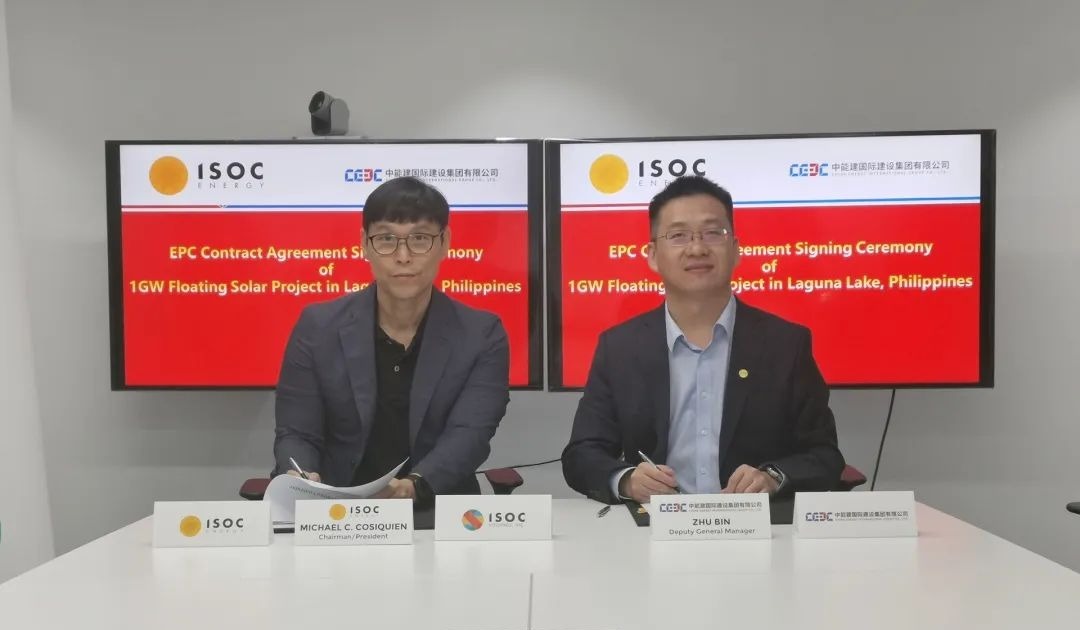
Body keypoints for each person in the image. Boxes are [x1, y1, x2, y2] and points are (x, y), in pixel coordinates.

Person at [562, 176, 844, 504]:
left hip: (755, 526)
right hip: (655, 525)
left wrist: (773, 477)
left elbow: (824, 456)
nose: (697, 249)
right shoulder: (620, 348)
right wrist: (626, 481)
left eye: (712, 233)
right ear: (653, 255)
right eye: (678, 236)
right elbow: (582, 454)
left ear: (735, 250)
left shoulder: (785, 344)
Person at [273, 177, 510, 508]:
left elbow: (470, 433)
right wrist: (302, 476)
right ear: (364, 244)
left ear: (445, 243)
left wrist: (414, 486)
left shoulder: (481, 334)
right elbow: (297, 433)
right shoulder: (318, 327)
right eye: (386, 239)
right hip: (336, 512)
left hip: (438, 508)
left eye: (420, 239)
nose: (403, 256)